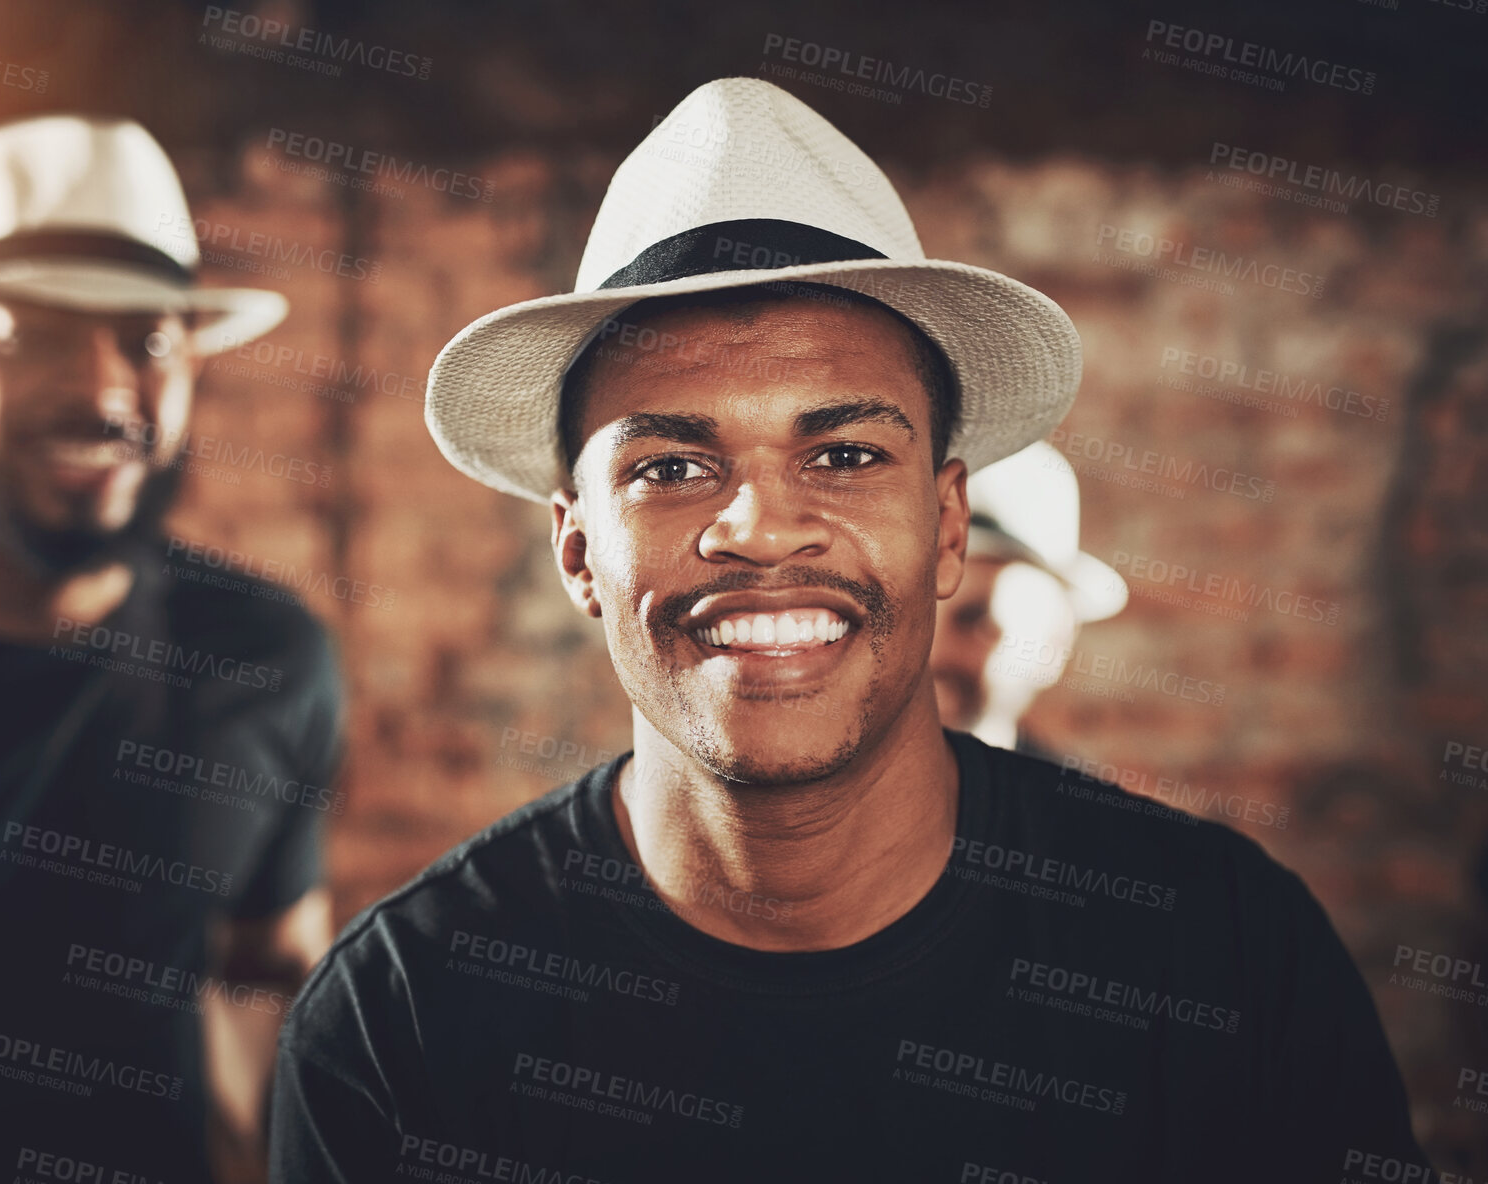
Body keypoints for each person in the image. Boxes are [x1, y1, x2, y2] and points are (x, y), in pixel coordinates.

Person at [269, 77, 1428, 1182]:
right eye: (673, 464)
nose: (764, 527)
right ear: (577, 551)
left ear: (944, 523)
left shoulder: (1222, 958)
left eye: (843, 454)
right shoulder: (403, 1023)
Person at [0, 115, 345, 1182]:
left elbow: (264, 972)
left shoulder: (266, 655)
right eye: (32, 335)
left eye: (145, 341)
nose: (101, 390)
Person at [930, 440, 1127, 755]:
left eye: (975, 621)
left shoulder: (1070, 804)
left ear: (1054, 644)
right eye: (912, 617)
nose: (929, 652)